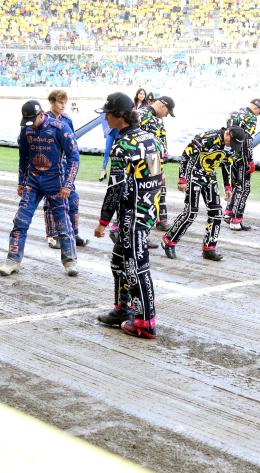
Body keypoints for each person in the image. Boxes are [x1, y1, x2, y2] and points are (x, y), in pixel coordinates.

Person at [94, 92, 163, 339]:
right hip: (147, 212)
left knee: (137, 268)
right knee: (119, 261)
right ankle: (123, 310)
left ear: (118, 116)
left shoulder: (122, 145)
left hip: (132, 217)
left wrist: (103, 222)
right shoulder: (151, 139)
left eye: (107, 113)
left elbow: (115, 188)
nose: (105, 117)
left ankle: (145, 324)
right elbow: (157, 178)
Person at [0, 100, 79, 277]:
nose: (30, 125)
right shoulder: (26, 129)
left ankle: (70, 261)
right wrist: (21, 181)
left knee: (62, 224)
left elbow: (74, 158)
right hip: (33, 182)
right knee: (20, 221)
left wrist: (68, 184)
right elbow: (23, 157)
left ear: (41, 115)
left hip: (55, 183)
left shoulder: (61, 128)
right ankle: (12, 260)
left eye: (32, 121)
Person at [161, 126, 245, 261]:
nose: (231, 146)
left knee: (217, 214)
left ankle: (209, 248)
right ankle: (168, 241)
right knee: (190, 213)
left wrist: (228, 186)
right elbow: (187, 155)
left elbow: (227, 164)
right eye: (232, 142)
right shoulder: (207, 137)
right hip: (193, 176)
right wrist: (182, 179)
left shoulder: (230, 146)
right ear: (228, 134)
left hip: (210, 178)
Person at [43, 89, 88, 250]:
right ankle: (53, 236)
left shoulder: (67, 120)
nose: (63, 106)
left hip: (64, 167)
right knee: (51, 203)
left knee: (73, 199)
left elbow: (72, 145)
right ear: (52, 102)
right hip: (48, 169)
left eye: (65, 103)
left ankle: (73, 234)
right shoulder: (44, 119)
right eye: (60, 102)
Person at [224, 98, 260, 231]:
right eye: (259, 112)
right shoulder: (251, 117)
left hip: (230, 154)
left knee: (235, 185)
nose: (258, 115)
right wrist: (250, 160)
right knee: (244, 188)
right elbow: (248, 140)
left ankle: (229, 213)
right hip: (242, 157)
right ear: (256, 108)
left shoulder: (233, 113)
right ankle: (236, 220)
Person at [138, 95, 175, 236]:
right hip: (147, 163)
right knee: (150, 195)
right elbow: (150, 148)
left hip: (135, 161)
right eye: (167, 112)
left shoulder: (140, 113)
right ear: (162, 106)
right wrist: (159, 171)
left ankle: (118, 228)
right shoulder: (149, 118)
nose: (166, 116)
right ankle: (143, 234)